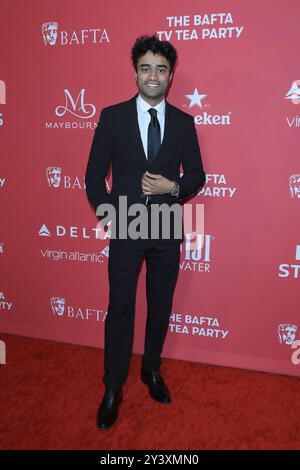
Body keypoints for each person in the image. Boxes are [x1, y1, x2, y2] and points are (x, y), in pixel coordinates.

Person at [85, 34, 206, 430]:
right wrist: (112, 218)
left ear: (170, 76)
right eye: (145, 68)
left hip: (167, 228)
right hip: (126, 227)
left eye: (161, 69)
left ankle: (150, 370)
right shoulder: (113, 116)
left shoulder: (185, 123)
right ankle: (113, 386)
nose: (153, 76)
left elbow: (198, 176)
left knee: (160, 304)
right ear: (135, 72)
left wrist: (172, 188)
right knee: (119, 308)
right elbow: (92, 178)